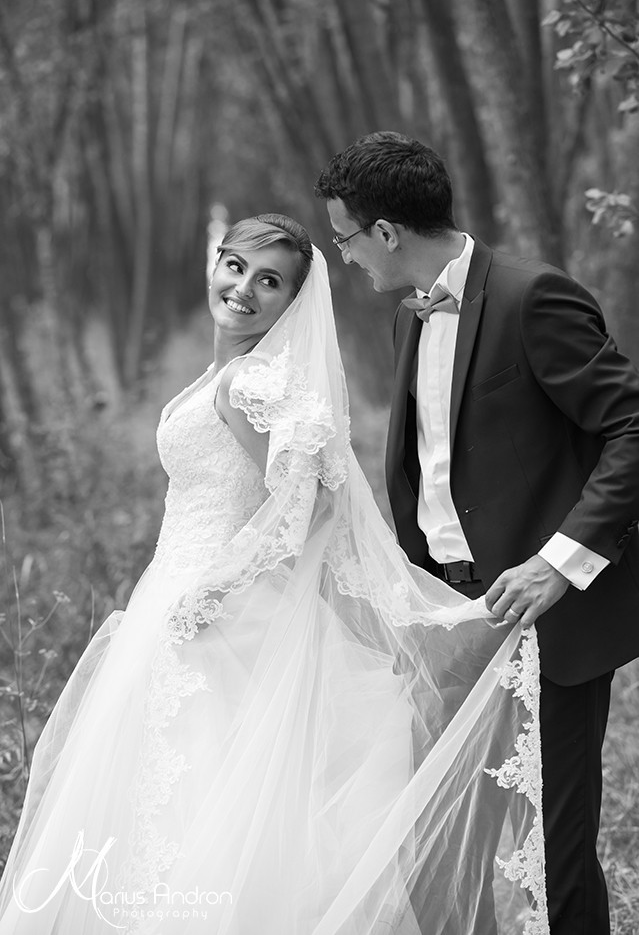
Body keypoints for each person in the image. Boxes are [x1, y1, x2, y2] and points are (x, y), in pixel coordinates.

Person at [0, 214, 548, 934]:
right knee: (170, 797)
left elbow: (304, 507)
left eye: (269, 282)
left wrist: (217, 587)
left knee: (208, 800)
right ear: (215, 263)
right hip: (175, 599)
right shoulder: (224, 375)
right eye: (235, 266)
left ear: (292, 302)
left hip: (219, 614)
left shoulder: (250, 383)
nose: (243, 289)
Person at [315, 133, 639, 935]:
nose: (345, 256)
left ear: (385, 231)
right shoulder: (409, 319)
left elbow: (630, 426)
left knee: (552, 849)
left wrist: (557, 565)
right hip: (446, 618)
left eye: (345, 239)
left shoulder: (534, 298)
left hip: (543, 614)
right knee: (436, 840)